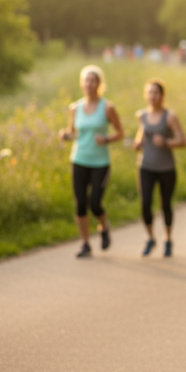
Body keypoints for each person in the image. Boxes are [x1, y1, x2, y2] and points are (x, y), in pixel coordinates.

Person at [58, 65, 124, 258]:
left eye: (92, 80)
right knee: (80, 203)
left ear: (98, 84)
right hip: (79, 159)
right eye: (85, 80)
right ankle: (85, 243)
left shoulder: (108, 107)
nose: (88, 84)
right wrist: (66, 135)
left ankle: (104, 227)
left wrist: (106, 139)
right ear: (82, 84)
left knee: (95, 203)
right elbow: (72, 132)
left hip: (100, 162)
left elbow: (120, 133)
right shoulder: (75, 107)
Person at [131, 79, 186, 257]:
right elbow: (142, 133)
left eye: (156, 93)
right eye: (150, 93)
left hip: (166, 168)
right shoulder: (141, 115)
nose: (153, 96)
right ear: (146, 95)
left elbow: (182, 141)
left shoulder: (170, 117)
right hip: (145, 166)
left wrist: (166, 142)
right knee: (145, 203)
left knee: (165, 205)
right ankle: (150, 238)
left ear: (162, 96)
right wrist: (138, 143)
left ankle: (167, 238)